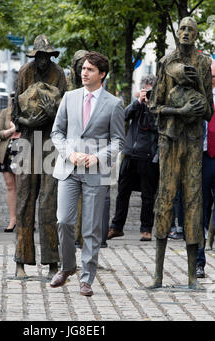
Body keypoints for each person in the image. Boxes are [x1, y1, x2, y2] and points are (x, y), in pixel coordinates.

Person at [50, 51, 125, 296]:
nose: (84, 72)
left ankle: (86, 278)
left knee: (91, 228)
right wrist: (69, 154)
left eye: (90, 69)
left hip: (96, 171)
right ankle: (68, 266)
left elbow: (117, 142)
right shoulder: (69, 98)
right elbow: (56, 133)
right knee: (63, 220)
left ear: (101, 74)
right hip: (69, 168)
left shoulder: (114, 104)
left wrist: (97, 157)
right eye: (83, 68)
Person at [149, 17, 213, 289]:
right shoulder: (166, 62)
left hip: (193, 142)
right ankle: (158, 275)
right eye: (183, 29)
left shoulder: (203, 63)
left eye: (191, 30)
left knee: (194, 202)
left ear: (197, 35)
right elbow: (154, 107)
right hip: (170, 141)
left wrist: (199, 85)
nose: (186, 33)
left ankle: (191, 276)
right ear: (177, 33)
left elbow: (209, 111)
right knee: (165, 199)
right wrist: (180, 112)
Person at [11, 34, 67, 279]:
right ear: (34, 56)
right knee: (24, 200)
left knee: (48, 201)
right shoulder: (24, 72)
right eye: (39, 57)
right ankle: (21, 261)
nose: (43, 61)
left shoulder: (59, 74)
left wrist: (50, 115)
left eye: (47, 56)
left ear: (51, 56)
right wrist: (28, 120)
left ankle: (53, 261)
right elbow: (15, 115)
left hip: (50, 143)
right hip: (27, 141)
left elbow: (65, 113)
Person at [107, 74, 159, 242]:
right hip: (129, 154)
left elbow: (158, 126)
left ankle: (146, 229)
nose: (148, 94)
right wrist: (139, 102)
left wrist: (152, 105)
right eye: (146, 90)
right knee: (122, 192)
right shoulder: (137, 105)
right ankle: (116, 227)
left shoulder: (158, 107)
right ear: (141, 90)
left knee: (148, 194)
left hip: (148, 155)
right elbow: (124, 116)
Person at [196, 60, 215, 278]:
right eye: (208, 76)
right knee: (199, 212)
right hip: (200, 158)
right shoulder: (197, 97)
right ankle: (199, 262)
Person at [0, 92, 21, 232]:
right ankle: (13, 219)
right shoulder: (5, 112)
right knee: (10, 186)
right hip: (7, 150)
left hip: (23, 149)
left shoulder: (27, 112)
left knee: (23, 186)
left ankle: (24, 217)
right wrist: (12, 130)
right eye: (12, 99)